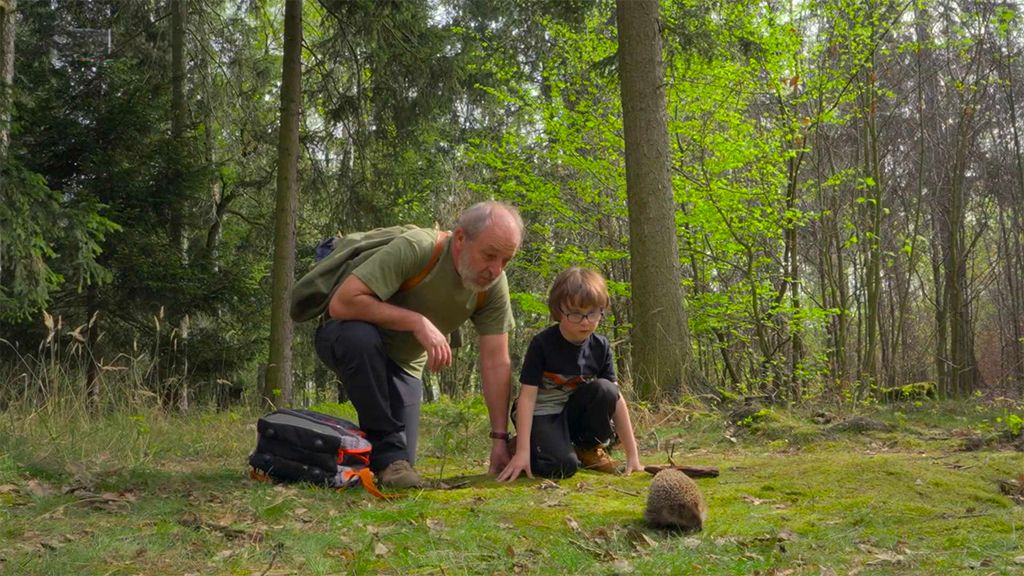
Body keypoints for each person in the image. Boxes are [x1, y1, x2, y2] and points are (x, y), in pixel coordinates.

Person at [315, 201, 523, 488]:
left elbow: (496, 361)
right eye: (489, 255)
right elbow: (342, 303)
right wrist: (417, 322)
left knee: (402, 462)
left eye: (505, 260)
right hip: (345, 336)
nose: (495, 269)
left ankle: (341, 449)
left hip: (402, 364)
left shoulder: (494, 287)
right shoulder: (418, 249)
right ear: (460, 238)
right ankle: (380, 452)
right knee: (361, 341)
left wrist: (499, 439)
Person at [497, 267, 642, 482]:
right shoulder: (542, 344)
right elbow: (527, 399)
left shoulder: (600, 346)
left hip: (574, 412)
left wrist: (633, 455)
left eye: (593, 313)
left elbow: (616, 399)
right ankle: (528, 445)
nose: (585, 321)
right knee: (563, 467)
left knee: (606, 389)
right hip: (542, 413)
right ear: (558, 311)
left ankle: (587, 448)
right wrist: (522, 453)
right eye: (575, 313)